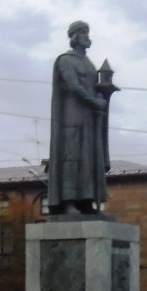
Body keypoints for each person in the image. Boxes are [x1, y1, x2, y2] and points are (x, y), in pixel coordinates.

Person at [47, 21, 110, 215]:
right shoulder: (65, 60)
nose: (86, 36)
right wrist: (94, 101)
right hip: (70, 117)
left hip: (88, 118)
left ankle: (85, 200)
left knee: (88, 158)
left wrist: (102, 95)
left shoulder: (89, 63)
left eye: (87, 32)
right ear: (74, 36)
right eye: (82, 32)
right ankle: (68, 201)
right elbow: (73, 86)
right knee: (71, 158)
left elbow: (95, 86)